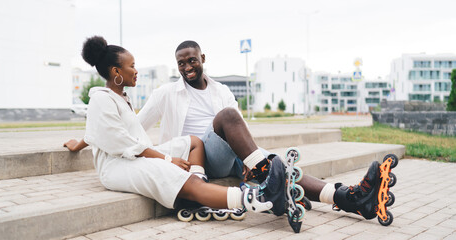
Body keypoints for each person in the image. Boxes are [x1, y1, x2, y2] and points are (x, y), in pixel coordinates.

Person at [65, 40, 395, 222]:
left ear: (202, 58)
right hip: (200, 158)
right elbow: (127, 129)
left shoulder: (222, 89)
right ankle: (266, 175)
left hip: (230, 154)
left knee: (271, 159)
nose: (186, 67)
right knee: (227, 119)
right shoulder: (166, 92)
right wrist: (82, 141)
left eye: (191, 60)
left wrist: (253, 161)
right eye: (180, 63)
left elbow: (240, 129)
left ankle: (349, 198)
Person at [76, 35, 289, 221]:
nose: (136, 70)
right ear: (116, 71)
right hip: (117, 165)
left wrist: (79, 144)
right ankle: (257, 198)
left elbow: (101, 131)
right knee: (166, 169)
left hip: (132, 155)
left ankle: (205, 184)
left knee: (193, 142)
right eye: (132, 65)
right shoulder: (101, 100)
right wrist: (168, 160)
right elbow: (119, 141)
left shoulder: (120, 99)